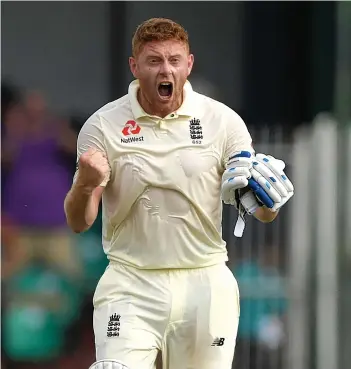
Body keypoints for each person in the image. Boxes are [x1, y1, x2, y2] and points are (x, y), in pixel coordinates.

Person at [64, 18, 294, 369]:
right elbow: (79, 222)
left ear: (188, 64)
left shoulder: (223, 121)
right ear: (135, 66)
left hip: (204, 282)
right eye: (154, 60)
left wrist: (268, 201)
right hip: (131, 280)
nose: (165, 70)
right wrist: (84, 182)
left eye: (174, 60)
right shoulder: (102, 126)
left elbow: (258, 211)